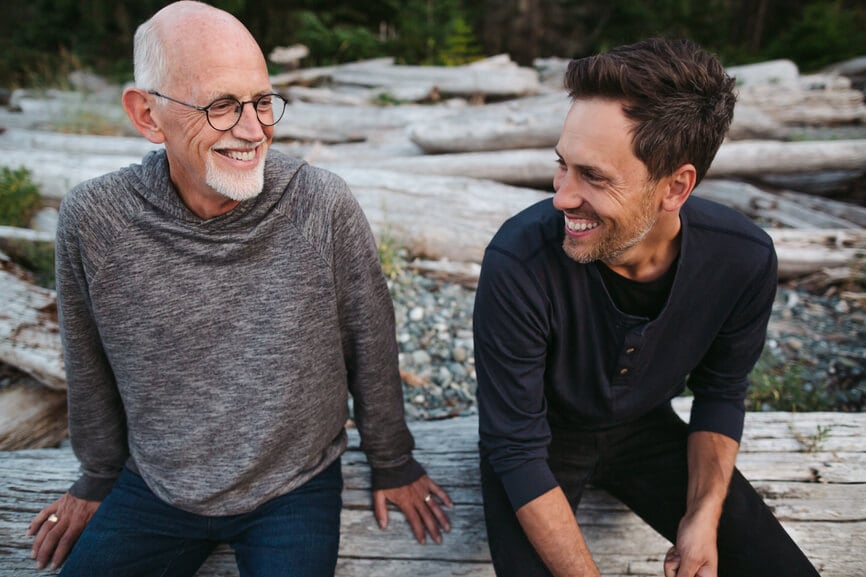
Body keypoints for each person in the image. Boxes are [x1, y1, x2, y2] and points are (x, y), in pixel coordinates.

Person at [27, 2, 451, 575]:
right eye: (221, 107)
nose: (254, 130)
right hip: (156, 487)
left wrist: (393, 461)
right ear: (148, 115)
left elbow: (371, 342)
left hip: (293, 486)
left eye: (260, 101)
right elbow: (87, 357)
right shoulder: (96, 219)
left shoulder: (321, 204)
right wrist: (98, 475)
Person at [473, 38, 820, 577]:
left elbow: (721, 392)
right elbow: (515, 448)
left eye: (594, 176)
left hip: (646, 431)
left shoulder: (743, 259)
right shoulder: (518, 261)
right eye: (562, 165)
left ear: (676, 186)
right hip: (538, 444)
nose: (562, 195)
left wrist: (702, 517)